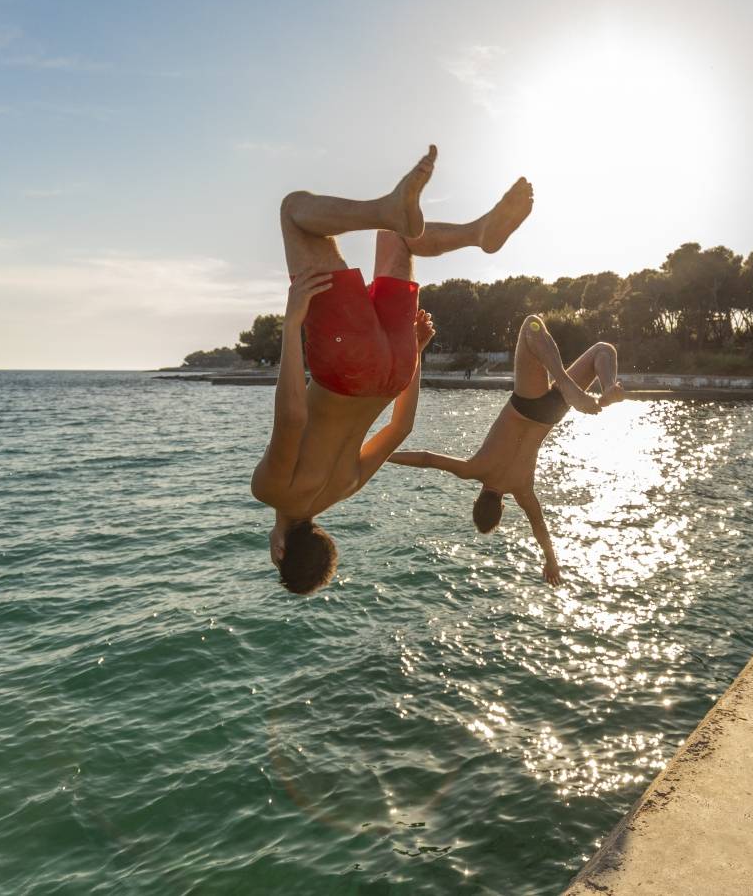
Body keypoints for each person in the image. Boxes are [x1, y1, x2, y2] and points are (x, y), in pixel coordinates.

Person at [251, 145, 534, 595]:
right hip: (345, 365)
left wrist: (415, 354)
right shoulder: (272, 491)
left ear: (327, 542)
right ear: (279, 552)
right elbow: (292, 418)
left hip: (394, 369)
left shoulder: (344, 487)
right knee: (293, 213)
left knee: (398, 236)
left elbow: (402, 427)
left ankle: (479, 233)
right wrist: (292, 325)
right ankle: (387, 208)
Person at [388, 315, 624, 585]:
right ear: (476, 501)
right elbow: (427, 459)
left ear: (501, 507)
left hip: (550, 414)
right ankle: (571, 381)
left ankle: (608, 390)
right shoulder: (471, 469)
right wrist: (383, 456)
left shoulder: (522, 491)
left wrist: (551, 561)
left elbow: (539, 526)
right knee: (531, 325)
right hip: (526, 404)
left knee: (604, 349)